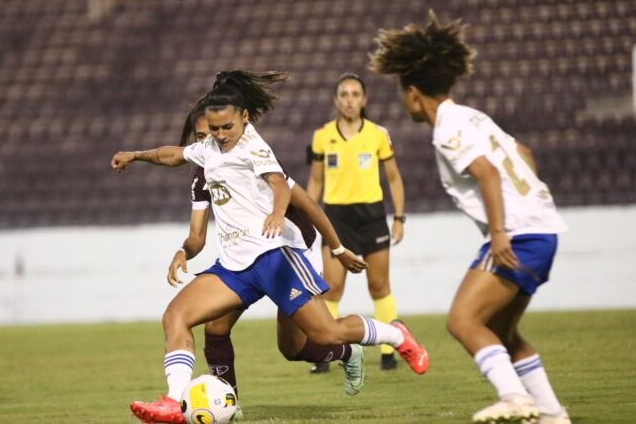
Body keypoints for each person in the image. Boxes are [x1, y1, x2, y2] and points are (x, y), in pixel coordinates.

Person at [112, 71, 428, 424]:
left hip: (275, 258)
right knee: (176, 316)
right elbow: (173, 155)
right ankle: (173, 402)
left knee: (324, 333)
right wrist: (137, 155)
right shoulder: (210, 150)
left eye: (225, 128)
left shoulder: (254, 147)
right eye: (212, 130)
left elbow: (280, 185)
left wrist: (286, 217)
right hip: (234, 268)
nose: (219, 135)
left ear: (244, 117)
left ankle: (395, 334)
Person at [369, 11, 570, 424]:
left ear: (413, 94)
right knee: (502, 332)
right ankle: (552, 414)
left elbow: (488, 172)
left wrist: (499, 231)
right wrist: (529, 197)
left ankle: (514, 397)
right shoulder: (474, 117)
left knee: (463, 321)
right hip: (543, 228)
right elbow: (523, 154)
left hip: (517, 234)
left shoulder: (447, 125)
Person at [173, 97, 366, 415]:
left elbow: (306, 203)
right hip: (245, 262)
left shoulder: (253, 155)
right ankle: (229, 406)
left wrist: (338, 248)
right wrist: (183, 251)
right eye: (201, 136)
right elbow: (197, 236)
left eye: (215, 132)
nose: (210, 140)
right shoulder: (202, 173)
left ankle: (349, 352)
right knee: (216, 327)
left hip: (291, 251)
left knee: (296, 347)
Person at [306, 72, 407, 373]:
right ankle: (325, 351)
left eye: (355, 94)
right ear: (337, 100)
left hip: (372, 217)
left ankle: (391, 350)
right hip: (335, 218)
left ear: (364, 100)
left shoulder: (378, 134)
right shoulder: (322, 135)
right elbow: (314, 182)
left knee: (379, 285)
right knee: (332, 288)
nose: (350, 100)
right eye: (344, 95)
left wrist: (399, 217)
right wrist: (308, 220)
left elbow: (393, 178)